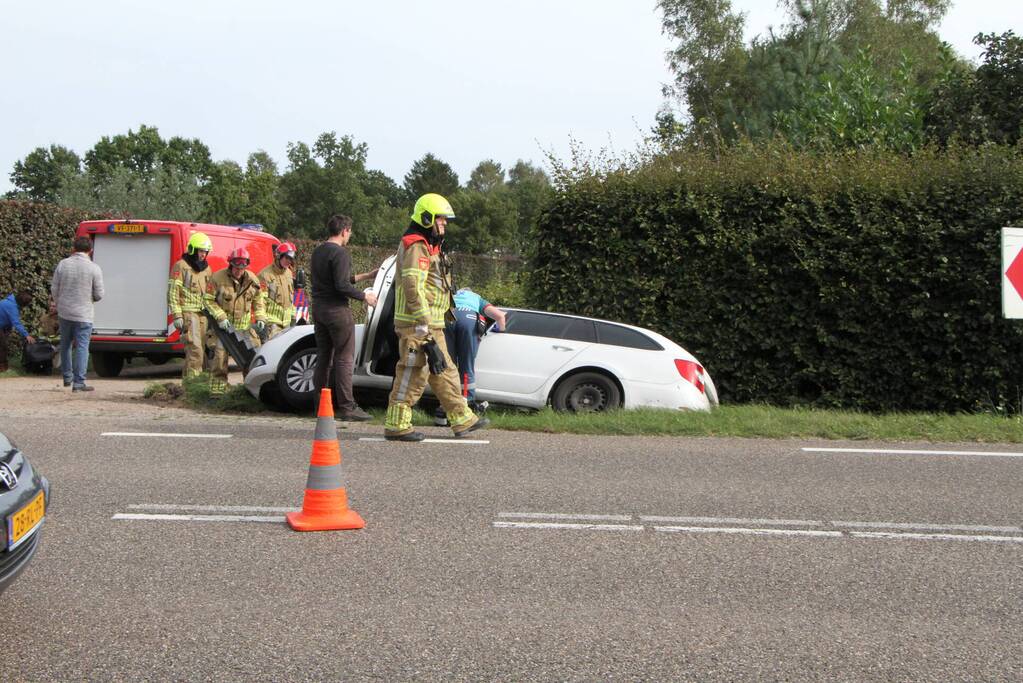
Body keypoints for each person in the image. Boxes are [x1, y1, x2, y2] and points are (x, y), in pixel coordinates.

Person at [383, 193, 490, 442]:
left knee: (445, 370)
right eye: (440, 219)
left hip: (433, 322)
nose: (445, 224)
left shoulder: (431, 246)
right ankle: (396, 424)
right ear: (426, 218)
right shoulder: (416, 245)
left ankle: (461, 418)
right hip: (417, 325)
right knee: (414, 372)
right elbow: (413, 286)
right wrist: (423, 324)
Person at [310, 215, 378, 421]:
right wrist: (364, 296)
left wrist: (366, 276)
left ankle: (320, 406)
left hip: (319, 309)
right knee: (344, 359)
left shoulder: (318, 252)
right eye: (350, 232)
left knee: (323, 357)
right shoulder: (340, 253)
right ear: (345, 230)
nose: (350, 235)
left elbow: (337, 280)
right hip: (337, 311)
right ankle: (348, 408)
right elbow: (341, 286)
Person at [434, 287, 507, 426]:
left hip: (448, 317)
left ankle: (444, 407)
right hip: (468, 319)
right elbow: (500, 316)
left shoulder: (453, 296)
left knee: (449, 366)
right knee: (466, 365)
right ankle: (467, 404)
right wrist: (500, 329)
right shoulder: (476, 298)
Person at [205, 247, 266, 396]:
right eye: (236, 267)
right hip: (224, 329)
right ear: (230, 264)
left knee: (253, 359)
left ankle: (251, 392)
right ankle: (217, 394)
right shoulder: (217, 278)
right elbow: (207, 300)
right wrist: (221, 317)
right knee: (219, 359)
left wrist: (260, 318)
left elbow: (259, 300)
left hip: (244, 328)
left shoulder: (252, 280)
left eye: (242, 267)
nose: (238, 271)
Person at [52, 236, 104, 391]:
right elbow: (99, 294)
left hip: (65, 312)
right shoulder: (94, 268)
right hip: (84, 314)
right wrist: (91, 298)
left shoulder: (63, 264)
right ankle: (79, 382)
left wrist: (60, 303)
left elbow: (54, 288)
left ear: (73, 248)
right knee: (82, 347)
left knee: (66, 345)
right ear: (91, 251)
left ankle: (67, 377)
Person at [168, 232, 214, 379]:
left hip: (203, 315)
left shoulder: (206, 269)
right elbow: (173, 292)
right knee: (195, 350)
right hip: (188, 314)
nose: (203, 255)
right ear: (193, 250)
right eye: (201, 251)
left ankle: (191, 383)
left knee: (200, 350)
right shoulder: (181, 266)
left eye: (205, 252)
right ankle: (193, 384)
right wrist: (177, 315)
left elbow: (209, 293)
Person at [258, 242, 297, 341]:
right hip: (272, 323)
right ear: (279, 256)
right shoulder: (265, 275)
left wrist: (293, 316)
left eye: (291, 259)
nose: (289, 261)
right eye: (287, 258)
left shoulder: (288, 273)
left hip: (287, 323)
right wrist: (261, 318)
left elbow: (291, 296)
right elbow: (260, 300)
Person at [0, 290, 35, 373]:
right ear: (23, 303)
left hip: (3, 327)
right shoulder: (13, 307)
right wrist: (26, 335)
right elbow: (16, 323)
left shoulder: (8, 300)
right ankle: (2, 368)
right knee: (2, 346)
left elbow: (6, 318)